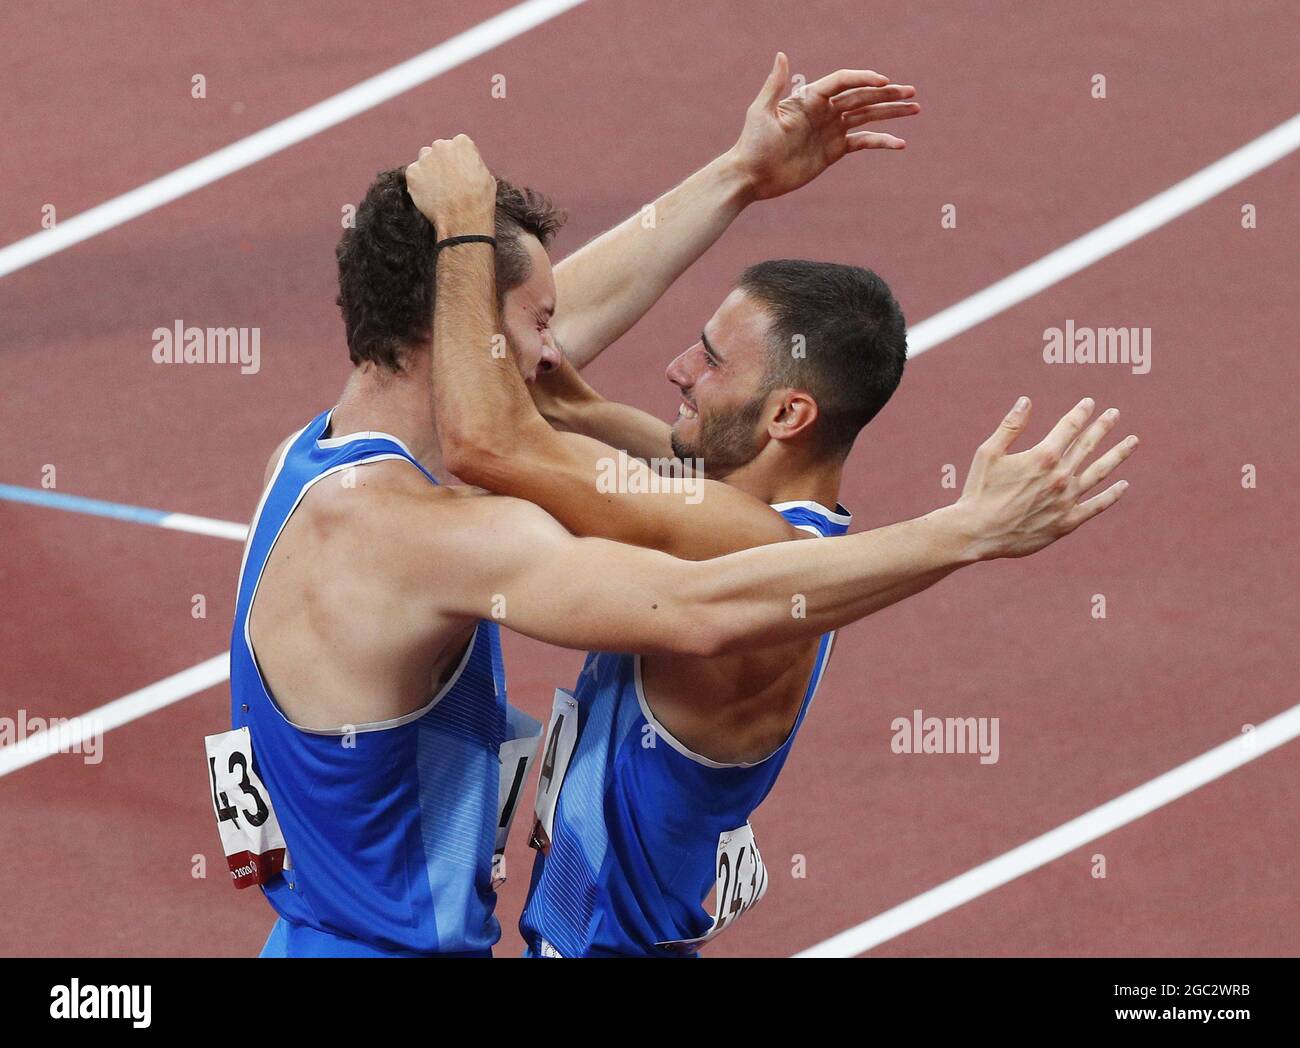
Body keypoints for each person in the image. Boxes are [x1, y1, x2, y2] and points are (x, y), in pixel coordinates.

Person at [407, 71, 1137, 954]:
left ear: (788, 415)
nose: (678, 367)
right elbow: (553, 386)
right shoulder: (721, 507)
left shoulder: (735, 538)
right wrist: (739, 174)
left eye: (713, 360)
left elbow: (491, 441)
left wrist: (462, 232)